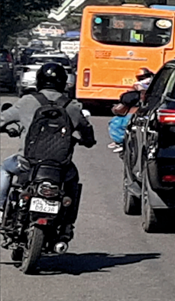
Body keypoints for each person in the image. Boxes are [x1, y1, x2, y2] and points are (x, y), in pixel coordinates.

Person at [0, 63, 96, 242]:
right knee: (72, 182)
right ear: (64, 82)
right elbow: (87, 133)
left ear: (39, 81)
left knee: (4, 168)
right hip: (60, 168)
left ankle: (0, 210)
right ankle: (67, 224)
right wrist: (87, 141)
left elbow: (2, 119)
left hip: (27, 163)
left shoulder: (27, 101)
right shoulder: (72, 106)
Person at [108, 90, 141, 154]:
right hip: (132, 114)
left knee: (116, 124)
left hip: (131, 116)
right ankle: (120, 142)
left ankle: (120, 142)